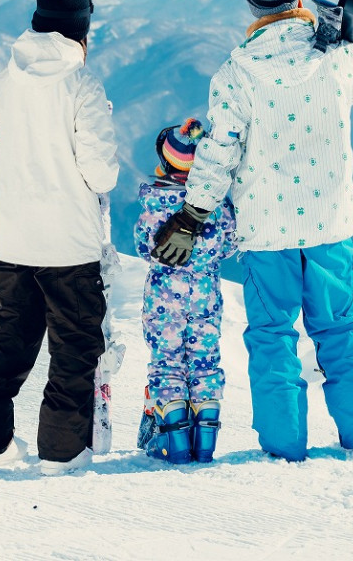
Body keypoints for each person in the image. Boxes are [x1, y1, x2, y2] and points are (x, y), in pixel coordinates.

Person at [153, 0, 353, 462]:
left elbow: (220, 150)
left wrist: (193, 213)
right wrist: (349, 34)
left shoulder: (235, 73)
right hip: (330, 222)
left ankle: (284, 446)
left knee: (272, 336)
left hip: (267, 231)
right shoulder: (333, 56)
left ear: (251, 6)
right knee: (342, 329)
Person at [0, 0, 119, 476]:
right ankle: (61, 451)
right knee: (74, 348)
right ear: (81, 32)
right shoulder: (82, 86)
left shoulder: (3, 81)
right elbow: (102, 173)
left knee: (7, 341)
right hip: (69, 245)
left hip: (11, 239)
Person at [133, 119, 237, 463]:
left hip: (163, 295)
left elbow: (143, 246)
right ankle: (205, 440)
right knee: (205, 361)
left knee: (167, 362)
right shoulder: (216, 206)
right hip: (206, 295)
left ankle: (173, 443)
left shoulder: (155, 203)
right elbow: (229, 243)